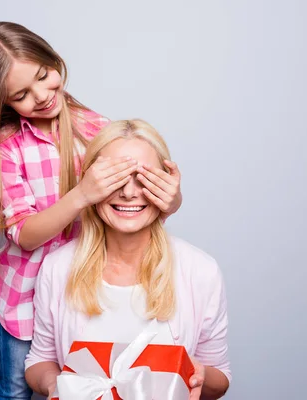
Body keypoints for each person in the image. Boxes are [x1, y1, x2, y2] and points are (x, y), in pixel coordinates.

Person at [0, 22, 183, 400]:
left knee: (92, 383)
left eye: (44, 76)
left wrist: (170, 199)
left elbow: (135, 203)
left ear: (53, 60)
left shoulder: (95, 128)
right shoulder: (5, 148)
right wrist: (81, 194)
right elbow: (24, 233)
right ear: (0, 102)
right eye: (22, 94)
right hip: (26, 299)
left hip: (85, 289)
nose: (42, 95)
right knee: (15, 388)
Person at [24, 120, 231, 400]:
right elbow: (40, 360)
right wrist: (54, 385)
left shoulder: (200, 271)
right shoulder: (58, 268)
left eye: (142, 178)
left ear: (166, 185)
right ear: (89, 182)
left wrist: (200, 374)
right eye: (114, 177)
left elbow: (220, 378)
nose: (129, 192)